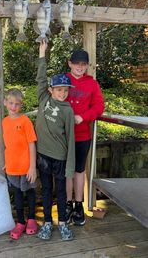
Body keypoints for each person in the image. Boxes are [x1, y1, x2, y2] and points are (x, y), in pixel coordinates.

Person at [36, 40, 75, 241]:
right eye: (59, 89)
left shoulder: (68, 111)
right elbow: (41, 78)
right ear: (51, 89)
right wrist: (42, 53)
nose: (63, 93)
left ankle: (62, 223)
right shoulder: (43, 97)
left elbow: (71, 140)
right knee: (46, 190)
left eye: (66, 90)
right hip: (43, 156)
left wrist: (70, 166)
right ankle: (47, 223)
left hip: (59, 158)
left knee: (60, 191)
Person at [65, 50, 104, 226]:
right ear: (70, 63)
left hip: (82, 135)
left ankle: (78, 204)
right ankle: (66, 203)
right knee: (66, 171)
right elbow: (52, 100)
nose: (80, 67)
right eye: (77, 63)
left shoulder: (92, 84)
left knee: (79, 170)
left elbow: (99, 106)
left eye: (83, 64)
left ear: (87, 65)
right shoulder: (63, 80)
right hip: (63, 136)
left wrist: (84, 117)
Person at [2, 88, 38, 240]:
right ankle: (20, 222)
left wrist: (32, 167)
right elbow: (8, 144)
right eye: (10, 103)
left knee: (29, 193)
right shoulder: (4, 122)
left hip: (26, 167)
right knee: (16, 194)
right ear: (5, 103)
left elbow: (31, 144)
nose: (13, 107)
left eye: (17, 104)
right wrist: (6, 163)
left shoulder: (25, 121)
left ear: (21, 105)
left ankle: (31, 219)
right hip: (12, 167)